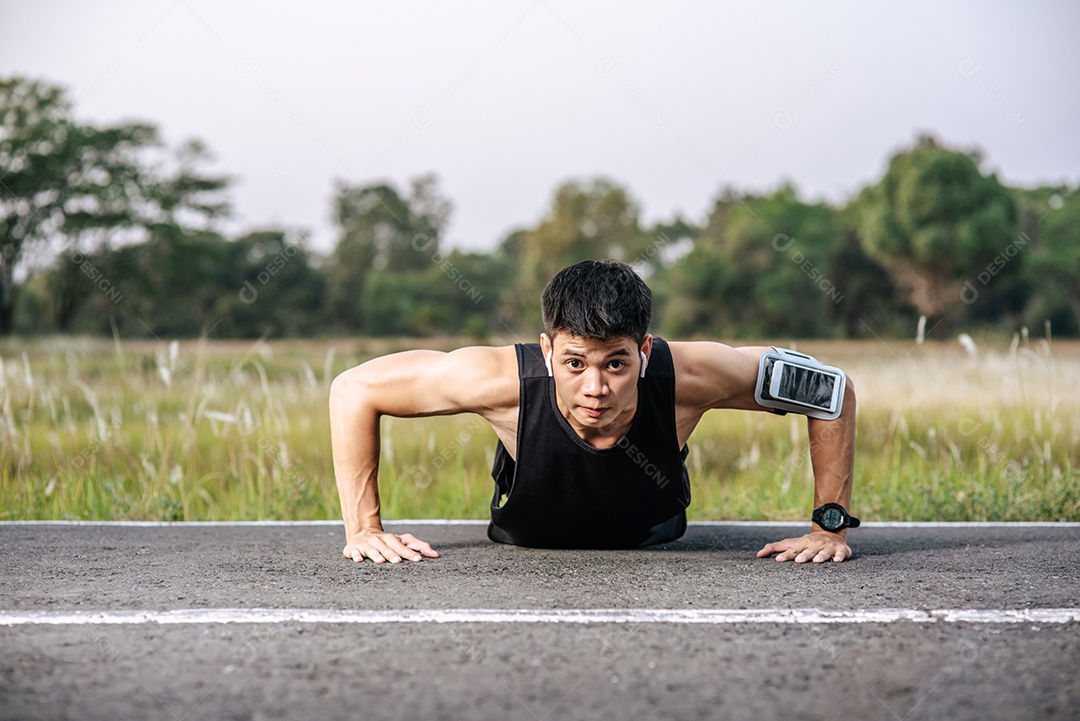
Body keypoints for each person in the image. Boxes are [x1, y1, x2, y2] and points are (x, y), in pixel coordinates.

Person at [329, 259, 858, 564]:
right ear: (547, 351)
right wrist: (364, 529)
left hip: (652, 539)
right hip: (529, 545)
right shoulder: (498, 379)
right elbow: (354, 389)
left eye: (616, 364)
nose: (596, 388)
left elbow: (831, 390)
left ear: (644, 351)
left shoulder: (690, 375)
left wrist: (828, 528)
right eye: (575, 363)